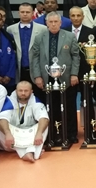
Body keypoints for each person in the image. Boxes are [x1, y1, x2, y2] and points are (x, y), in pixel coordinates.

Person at [29, 11, 80, 141]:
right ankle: (52, 134)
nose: (53, 24)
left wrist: (74, 74)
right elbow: (35, 58)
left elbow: (75, 56)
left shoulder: (70, 36)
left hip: (66, 78)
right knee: (51, 106)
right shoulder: (39, 37)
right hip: (46, 77)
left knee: (69, 106)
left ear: (60, 23)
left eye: (55, 22)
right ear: (46, 23)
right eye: (50, 22)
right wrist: (37, 76)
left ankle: (71, 134)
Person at [0, 80, 49, 162]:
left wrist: (39, 133)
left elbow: (44, 118)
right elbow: (1, 119)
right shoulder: (9, 101)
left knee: (44, 124)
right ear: (16, 91)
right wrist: (7, 133)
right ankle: (31, 151)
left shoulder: (35, 101)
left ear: (31, 91)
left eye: (26, 91)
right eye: (20, 90)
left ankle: (28, 152)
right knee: (1, 126)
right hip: (12, 139)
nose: (23, 93)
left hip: (30, 136)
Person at [7, 2, 48, 89]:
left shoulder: (42, 29)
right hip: (18, 70)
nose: (25, 14)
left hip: (36, 70)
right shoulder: (10, 29)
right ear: (18, 13)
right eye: (22, 12)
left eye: (27, 12)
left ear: (32, 13)